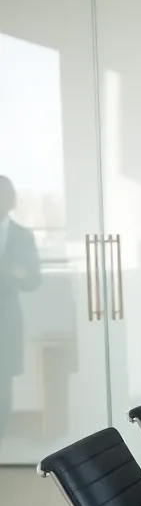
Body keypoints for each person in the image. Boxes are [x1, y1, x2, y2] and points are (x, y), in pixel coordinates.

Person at [0, 175, 39, 440]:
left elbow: (34, 279)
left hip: (7, 318)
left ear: (11, 200)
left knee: (3, 385)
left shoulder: (22, 236)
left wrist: (18, 276)